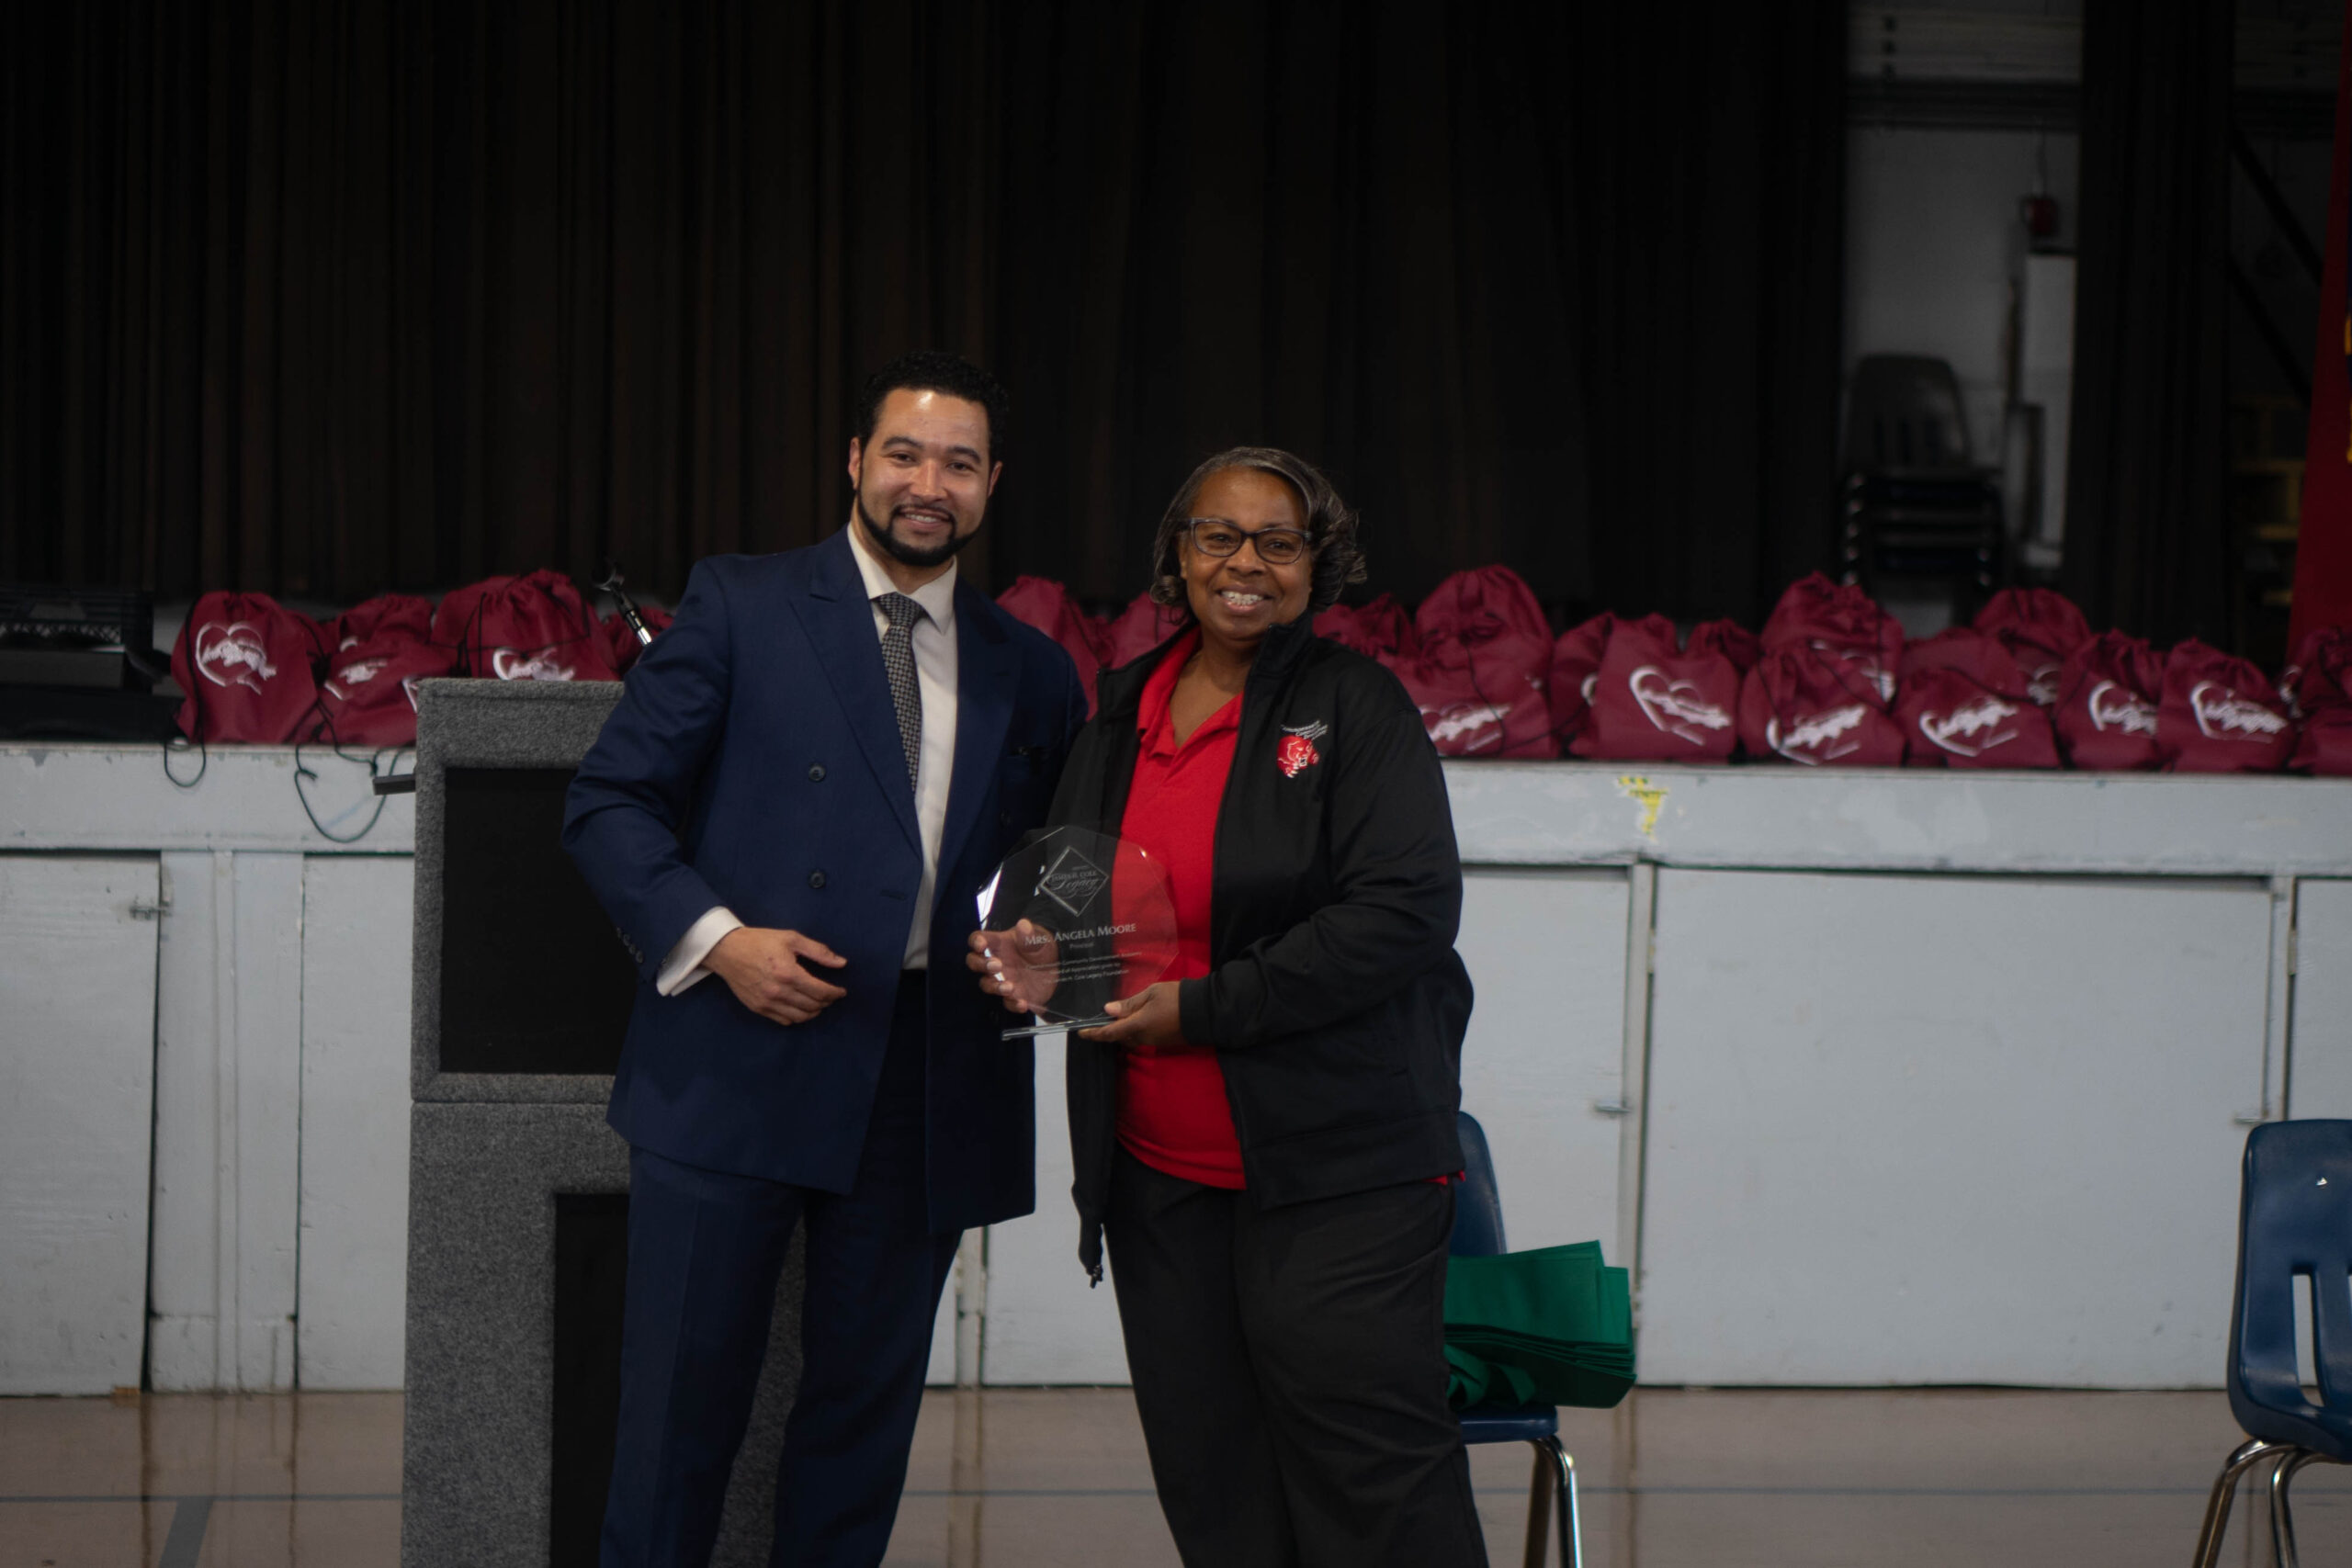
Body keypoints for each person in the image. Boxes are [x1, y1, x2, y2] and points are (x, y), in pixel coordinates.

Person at [565, 351, 1088, 1568]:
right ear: (855, 461)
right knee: (674, 1426)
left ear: (992, 482)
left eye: (960, 462)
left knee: (860, 1429)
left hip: (928, 1078)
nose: (929, 483)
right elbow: (609, 802)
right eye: (905, 453)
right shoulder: (742, 603)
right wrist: (720, 941)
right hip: (736, 1055)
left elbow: (1051, 868)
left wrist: (1043, 945)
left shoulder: (1034, 670)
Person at [970, 446, 1487, 1567]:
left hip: (1339, 1176)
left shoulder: (1357, 706)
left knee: (1372, 1483)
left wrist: (1199, 1010)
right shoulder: (1121, 709)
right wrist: (1032, 955)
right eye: (1217, 536)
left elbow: (1403, 913)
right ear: (1177, 553)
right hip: (1158, 1181)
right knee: (1215, 1485)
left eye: (1278, 541)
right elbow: (1074, 900)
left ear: (1316, 565)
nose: (1244, 562)